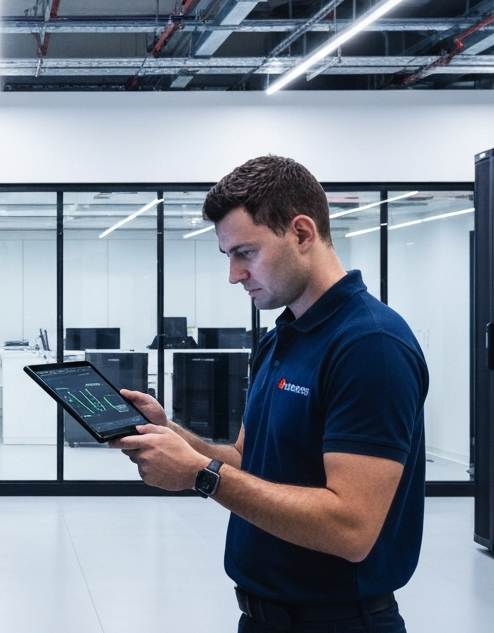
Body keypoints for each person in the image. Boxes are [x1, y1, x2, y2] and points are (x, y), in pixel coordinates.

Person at [111, 156, 428, 633]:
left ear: (302, 233)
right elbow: (248, 459)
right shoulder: (281, 339)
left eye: (246, 252)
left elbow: (352, 528)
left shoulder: (370, 346)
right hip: (263, 617)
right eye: (229, 257)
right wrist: (169, 432)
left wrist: (201, 476)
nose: (235, 274)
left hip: (338, 623)